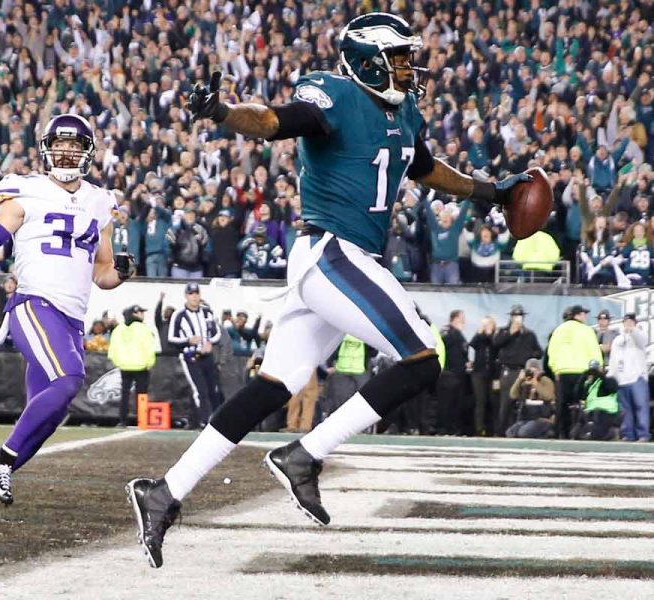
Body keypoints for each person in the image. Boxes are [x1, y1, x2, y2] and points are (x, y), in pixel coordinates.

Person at [127, 13, 536, 569]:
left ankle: (163, 492)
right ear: (368, 59)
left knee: (276, 386)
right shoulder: (334, 94)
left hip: (336, 260)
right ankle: (304, 455)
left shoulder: (401, 110)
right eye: (396, 57)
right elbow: (274, 121)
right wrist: (223, 112)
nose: (406, 67)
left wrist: (489, 192)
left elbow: (422, 166)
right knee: (422, 358)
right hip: (333, 253)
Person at [0, 114, 135, 523]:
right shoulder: (27, 189)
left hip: (72, 317)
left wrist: (122, 271)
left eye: (75, 145)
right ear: (47, 148)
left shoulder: (99, 201)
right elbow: (2, 224)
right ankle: (1, 465)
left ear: (88, 152)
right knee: (69, 380)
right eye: (61, 144)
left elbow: (102, 273)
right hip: (35, 304)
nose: (67, 152)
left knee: (49, 413)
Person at [168, 282, 222, 429]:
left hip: (207, 356)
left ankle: (213, 421)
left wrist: (210, 343)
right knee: (200, 390)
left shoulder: (207, 313)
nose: (194, 297)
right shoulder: (178, 315)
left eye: (196, 293)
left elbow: (217, 333)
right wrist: (188, 341)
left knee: (213, 389)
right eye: (191, 294)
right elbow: (171, 338)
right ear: (186, 296)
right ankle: (206, 422)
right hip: (190, 357)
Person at [547, 305, 603, 439]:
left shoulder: (559, 330)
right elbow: (594, 351)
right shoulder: (587, 330)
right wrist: (598, 367)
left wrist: (555, 368)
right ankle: (580, 432)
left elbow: (552, 352)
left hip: (563, 372)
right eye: (583, 314)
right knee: (582, 403)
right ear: (577, 315)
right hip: (581, 372)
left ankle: (562, 433)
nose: (585, 316)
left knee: (562, 404)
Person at [492, 305, 542, 435]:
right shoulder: (503, 331)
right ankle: (501, 432)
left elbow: (539, 352)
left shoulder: (529, 334)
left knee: (522, 403)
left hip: (523, 372)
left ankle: (518, 430)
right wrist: (511, 333)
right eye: (515, 316)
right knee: (505, 403)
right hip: (508, 371)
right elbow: (495, 344)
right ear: (511, 317)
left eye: (520, 316)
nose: (518, 319)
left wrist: (529, 355)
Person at [108, 305, 157, 427]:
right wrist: (150, 362)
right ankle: (142, 420)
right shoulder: (143, 329)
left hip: (125, 366)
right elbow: (149, 347)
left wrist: (118, 362)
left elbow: (112, 349)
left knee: (125, 394)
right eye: (141, 312)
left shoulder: (118, 329)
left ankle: (123, 420)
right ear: (135, 314)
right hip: (141, 366)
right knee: (141, 394)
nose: (143, 315)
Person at [608, 313, 650, 442]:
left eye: (631, 322)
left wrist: (633, 330)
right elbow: (613, 359)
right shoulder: (617, 340)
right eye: (626, 322)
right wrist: (611, 376)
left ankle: (643, 434)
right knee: (625, 410)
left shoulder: (639, 336)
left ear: (635, 323)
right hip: (621, 379)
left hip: (637, 378)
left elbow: (643, 341)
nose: (628, 324)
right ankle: (628, 434)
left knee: (641, 407)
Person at [506, 358, 555, 439]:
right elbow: (513, 395)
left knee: (523, 433)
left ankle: (547, 432)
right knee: (510, 432)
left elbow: (548, 396)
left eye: (534, 371)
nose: (532, 374)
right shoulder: (525, 382)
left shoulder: (545, 381)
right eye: (529, 371)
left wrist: (535, 383)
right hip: (527, 418)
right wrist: (519, 380)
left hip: (542, 418)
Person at [572, 360, 620, 441]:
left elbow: (612, 389)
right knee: (576, 434)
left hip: (607, 413)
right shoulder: (590, 385)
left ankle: (611, 432)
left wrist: (600, 375)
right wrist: (583, 377)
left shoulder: (609, 380)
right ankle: (588, 432)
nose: (593, 374)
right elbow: (577, 395)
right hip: (591, 413)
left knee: (595, 432)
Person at [469, 316, 497, 436]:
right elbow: (472, 345)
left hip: (492, 374)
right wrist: (479, 333)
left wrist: (491, 334)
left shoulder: (496, 337)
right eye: (484, 324)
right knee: (480, 402)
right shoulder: (478, 338)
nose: (486, 327)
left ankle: (492, 428)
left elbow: (496, 346)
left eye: (488, 324)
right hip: (478, 373)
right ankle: (479, 429)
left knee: (492, 401)